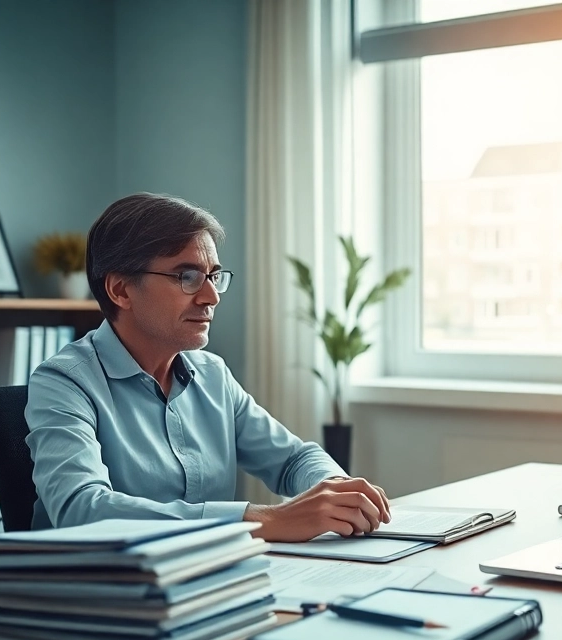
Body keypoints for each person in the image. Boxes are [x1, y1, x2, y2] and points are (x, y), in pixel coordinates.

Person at [25, 192, 392, 542]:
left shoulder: (212, 375)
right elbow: (82, 511)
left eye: (213, 275)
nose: (211, 296)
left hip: (209, 581)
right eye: (187, 277)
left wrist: (337, 493)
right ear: (121, 290)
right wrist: (265, 520)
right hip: (101, 595)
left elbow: (294, 460)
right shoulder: (64, 381)